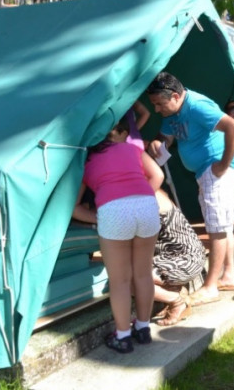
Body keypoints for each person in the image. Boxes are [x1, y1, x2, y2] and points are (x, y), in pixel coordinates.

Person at [146, 72, 234, 306]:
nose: (157, 110)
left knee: (216, 227)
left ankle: (210, 287)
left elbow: (233, 127)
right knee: (222, 223)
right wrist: (160, 143)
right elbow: (166, 136)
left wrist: (223, 164)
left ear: (176, 96)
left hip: (216, 168)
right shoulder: (172, 112)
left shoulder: (197, 106)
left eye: (160, 104)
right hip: (205, 171)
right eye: (154, 105)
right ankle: (229, 275)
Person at [72, 117, 164, 353]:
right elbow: (158, 176)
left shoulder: (86, 160)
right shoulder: (132, 148)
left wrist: (99, 216)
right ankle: (143, 329)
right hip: (146, 206)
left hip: (113, 211)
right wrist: (138, 197)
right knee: (143, 274)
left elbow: (75, 207)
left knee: (120, 280)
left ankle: (122, 336)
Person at [152, 189, 206, 326]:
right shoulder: (155, 192)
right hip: (190, 259)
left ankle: (177, 302)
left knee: (126, 279)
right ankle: (177, 292)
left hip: (183, 262)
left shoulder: (148, 199)